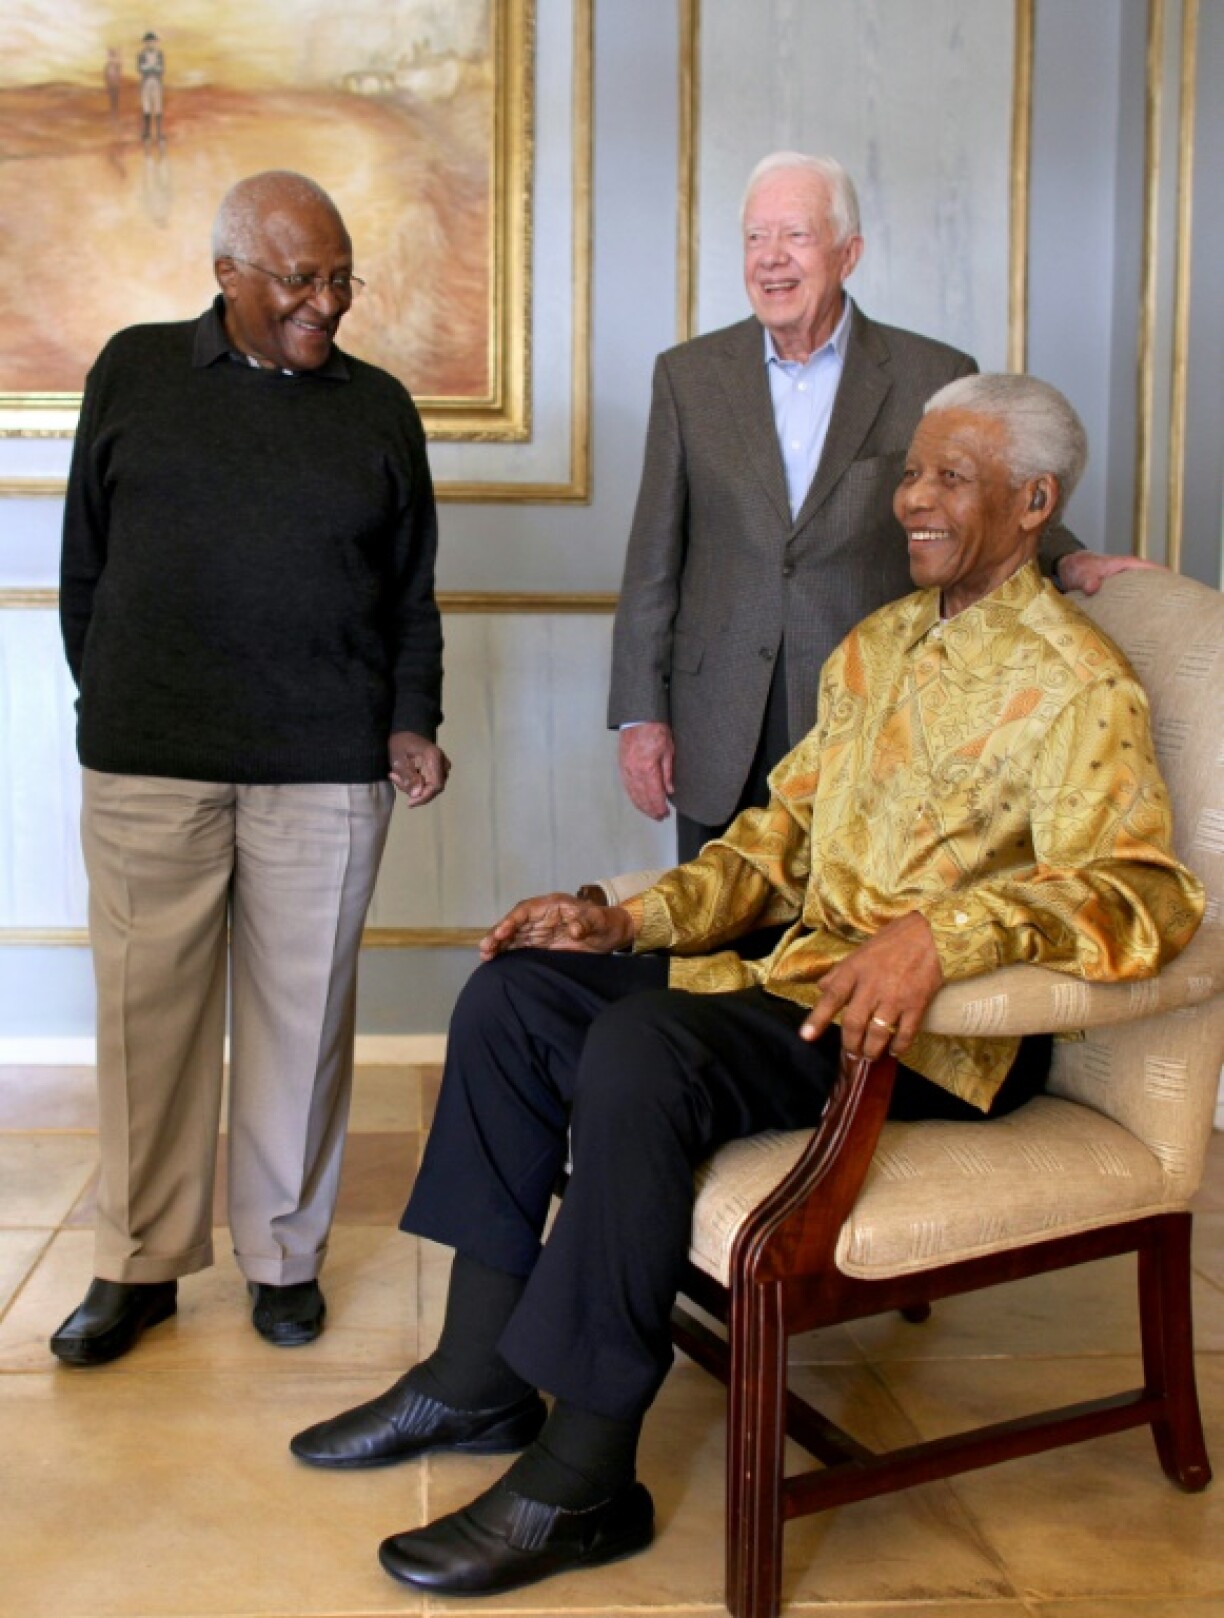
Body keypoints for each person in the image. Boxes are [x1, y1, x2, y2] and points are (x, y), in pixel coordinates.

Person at [290, 375, 1203, 1598]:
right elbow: (772, 842)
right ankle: (476, 1377)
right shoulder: (879, 646)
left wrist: (950, 935)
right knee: (515, 997)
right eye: (913, 471)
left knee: (646, 1051)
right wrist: (621, 918)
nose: (913, 498)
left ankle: (583, 1478)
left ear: (1036, 503)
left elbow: (1147, 894)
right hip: (801, 991)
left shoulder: (1083, 684)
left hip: (933, 1044)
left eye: (952, 476)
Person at [51, 170, 447, 1366]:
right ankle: (140, 1262)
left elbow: (408, 594)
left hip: (324, 763)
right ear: (227, 272)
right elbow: (86, 566)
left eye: (339, 278)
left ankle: (284, 1257)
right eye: (298, 278)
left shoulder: (378, 409)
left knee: (300, 1018)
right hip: (149, 760)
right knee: (145, 1023)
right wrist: (120, 695)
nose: (323, 303)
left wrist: (409, 718)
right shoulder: (132, 370)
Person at [610, 152, 1159, 861]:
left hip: (873, 709)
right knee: (709, 931)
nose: (771, 259)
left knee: (838, 943)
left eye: (796, 237)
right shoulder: (687, 377)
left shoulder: (933, 373)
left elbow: (984, 499)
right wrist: (640, 715)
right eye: (755, 238)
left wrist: (1070, 555)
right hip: (717, 718)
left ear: (848, 253)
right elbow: (652, 558)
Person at [137, 31, 164, 145]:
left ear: (155, 43)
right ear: (145, 43)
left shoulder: (159, 54)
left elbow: (161, 69)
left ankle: (159, 132)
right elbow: (140, 69)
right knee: (146, 106)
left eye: (152, 42)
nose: (150, 44)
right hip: (146, 82)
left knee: (157, 105)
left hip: (156, 82)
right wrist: (152, 68)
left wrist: (150, 68)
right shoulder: (141, 55)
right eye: (148, 42)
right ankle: (147, 133)